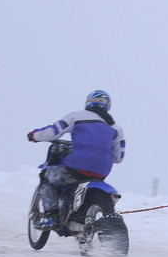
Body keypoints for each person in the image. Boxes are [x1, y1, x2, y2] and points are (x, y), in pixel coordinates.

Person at [28, 90, 126, 229]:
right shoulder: (116, 128)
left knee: (47, 177)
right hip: (101, 172)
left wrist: (34, 136)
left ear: (89, 102)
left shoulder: (77, 116)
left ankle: (51, 216)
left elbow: (54, 131)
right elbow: (119, 157)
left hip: (77, 167)